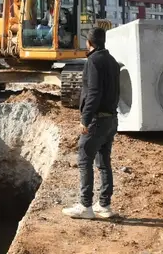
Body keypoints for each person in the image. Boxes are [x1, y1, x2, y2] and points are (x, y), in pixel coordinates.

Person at [63, 27, 120, 220]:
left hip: (97, 119)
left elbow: (93, 92)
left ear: (90, 43)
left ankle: (85, 206)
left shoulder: (94, 61)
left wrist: (85, 119)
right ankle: (105, 205)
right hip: (111, 119)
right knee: (104, 162)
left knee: (84, 158)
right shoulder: (112, 61)